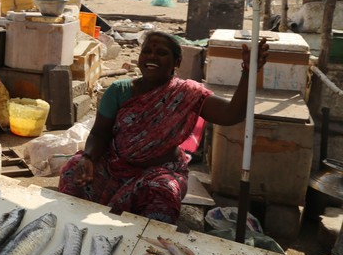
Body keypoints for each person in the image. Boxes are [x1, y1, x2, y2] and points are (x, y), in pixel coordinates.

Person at [59, 31, 268, 224]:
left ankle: (145, 251)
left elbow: (232, 114)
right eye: (147, 51)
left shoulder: (187, 94)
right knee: (73, 168)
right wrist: (88, 157)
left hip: (161, 171)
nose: (152, 57)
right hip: (115, 166)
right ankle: (72, 230)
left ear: (176, 62)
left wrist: (248, 73)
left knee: (163, 192)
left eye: (161, 53)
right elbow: (99, 133)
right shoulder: (118, 91)